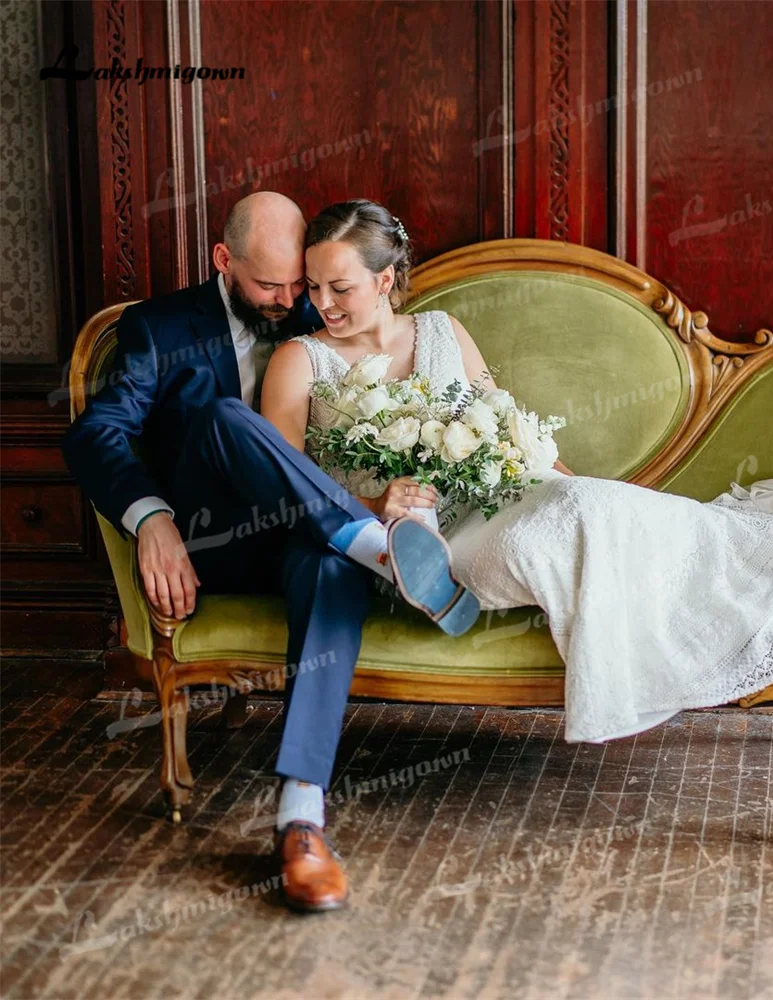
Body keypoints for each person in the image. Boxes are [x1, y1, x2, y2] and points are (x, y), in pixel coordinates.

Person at [264, 198, 773, 754]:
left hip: (498, 490)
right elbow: (284, 476)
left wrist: (580, 484)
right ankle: (422, 572)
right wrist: (369, 496)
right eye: (315, 289)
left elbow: (506, 423)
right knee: (527, 539)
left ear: (387, 279)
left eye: (340, 287)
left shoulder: (445, 333)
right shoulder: (303, 360)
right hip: (398, 520)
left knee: (584, 507)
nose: (321, 303)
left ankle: (757, 564)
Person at [62, 191, 481, 915]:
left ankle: (300, 818)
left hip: (311, 535)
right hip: (215, 538)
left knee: (328, 562)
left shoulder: (318, 317)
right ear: (225, 261)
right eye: (273, 285)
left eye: (304, 285)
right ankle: (376, 547)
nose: (295, 302)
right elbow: (95, 435)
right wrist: (153, 519)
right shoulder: (158, 329)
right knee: (226, 417)